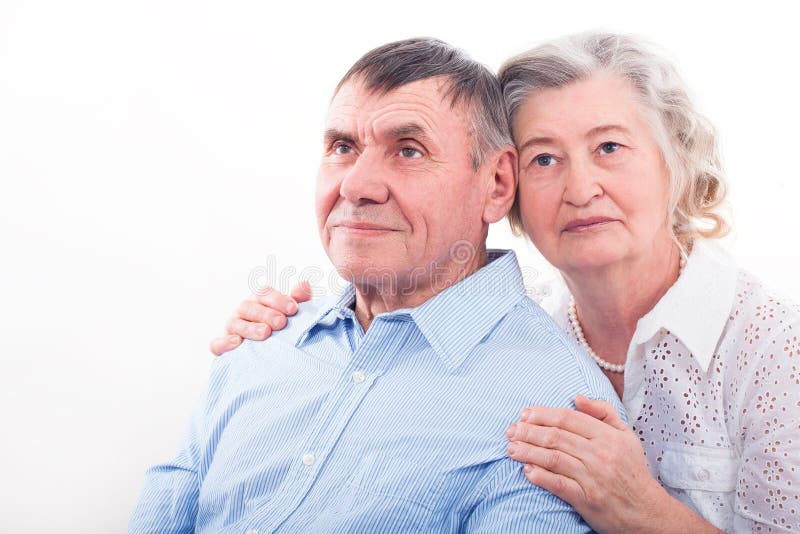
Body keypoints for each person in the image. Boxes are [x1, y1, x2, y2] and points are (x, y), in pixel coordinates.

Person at [215, 33, 800, 532]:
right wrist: (289, 334)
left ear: (676, 160)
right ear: (506, 185)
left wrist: (646, 510)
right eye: (544, 159)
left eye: (609, 147)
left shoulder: (774, 349)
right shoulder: (515, 331)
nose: (580, 188)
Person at [131, 37, 624, 533]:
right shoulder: (262, 341)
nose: (355, 186)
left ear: (496, 184)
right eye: (342, 148)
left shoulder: (559, 413)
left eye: (408, 151)